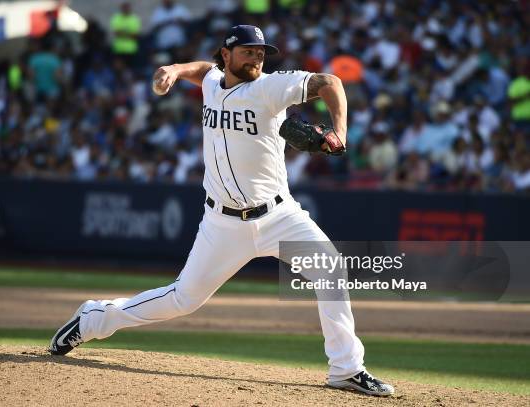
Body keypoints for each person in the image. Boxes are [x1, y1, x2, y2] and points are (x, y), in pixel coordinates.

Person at [49, 24, 395, 397]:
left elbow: (330, 82)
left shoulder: (269, 87)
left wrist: (339, 133)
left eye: (261, 52)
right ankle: (94, 319)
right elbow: (205, 72)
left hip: (279, 216)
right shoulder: (215, 82)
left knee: (330, 270)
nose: (257, 57)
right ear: (226, 54)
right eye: (248, 51)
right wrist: (177, 69)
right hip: (222, 222)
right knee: (183, 299)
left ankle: (346, 369)